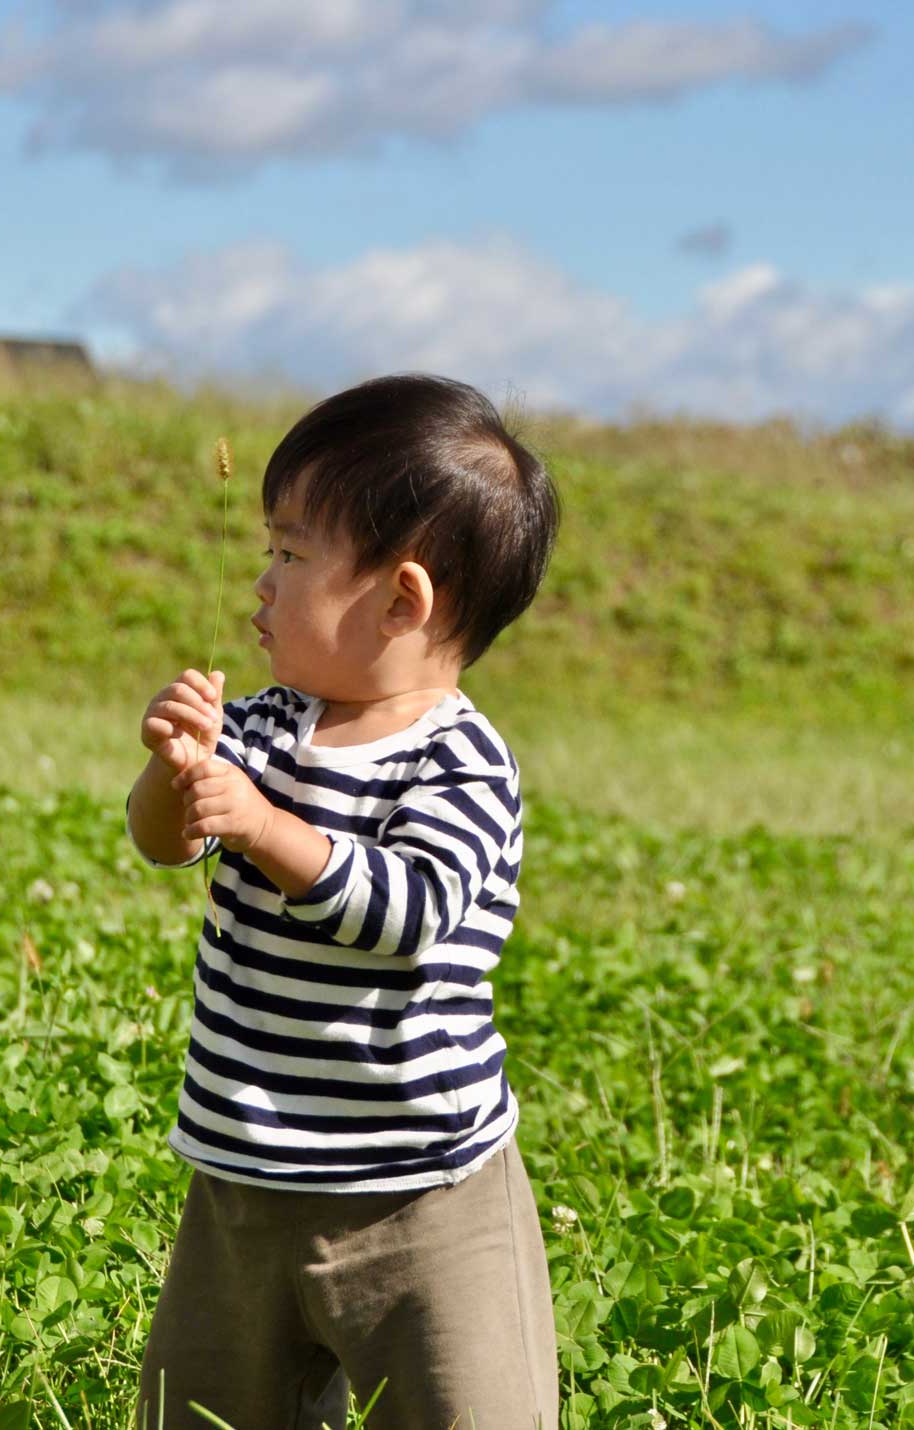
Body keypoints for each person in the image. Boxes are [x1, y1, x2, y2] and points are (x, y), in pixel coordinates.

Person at [126, 373, 563, 1429]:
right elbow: (164, 845)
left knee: (474, 1409)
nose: (261, 583)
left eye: (290, 553)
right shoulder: (269, 723)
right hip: (241, 1177)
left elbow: (405, 911)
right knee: (199, 1407)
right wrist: (173, 775)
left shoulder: (460, 762)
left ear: (401, 599)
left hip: (421, 1196)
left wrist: (264, 825)